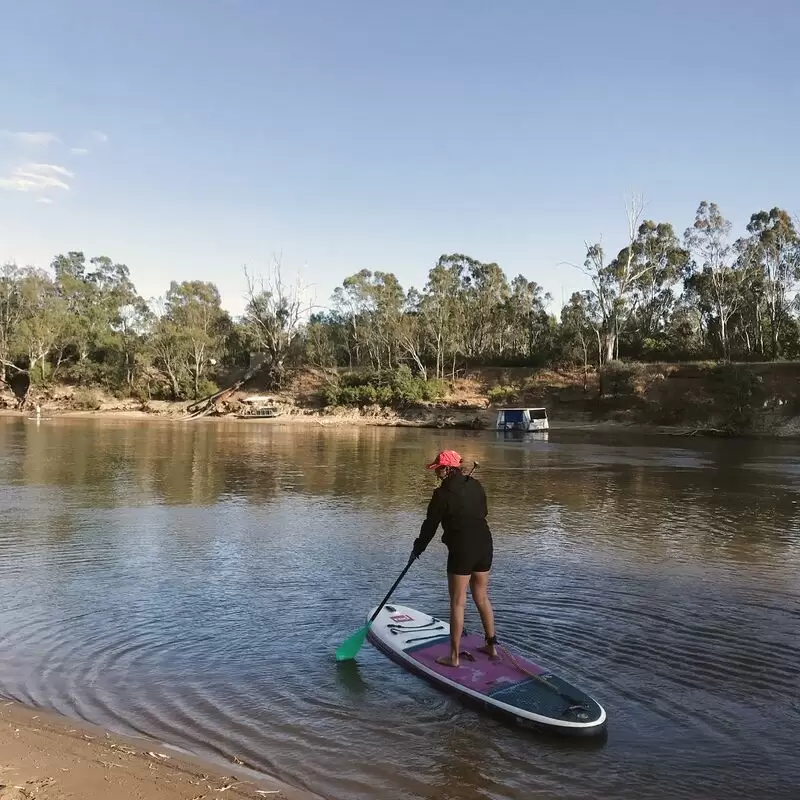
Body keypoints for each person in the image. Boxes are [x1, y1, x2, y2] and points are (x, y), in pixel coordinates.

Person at [409, 450, 497, 667]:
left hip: (462, 548)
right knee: (482, 597)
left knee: (458, 602)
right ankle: (491, 646)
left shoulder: (441, 495)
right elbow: (483, 511)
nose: (436, 471)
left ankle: (454, 657)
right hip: (485, 543)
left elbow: (430, 526)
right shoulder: (475, 484)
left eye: (439, 468)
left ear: (448, 469)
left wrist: (417, 548)